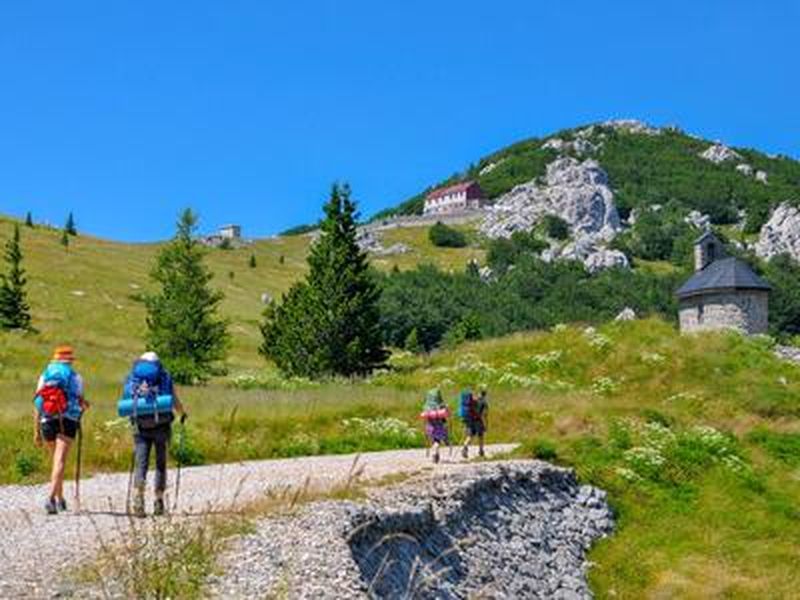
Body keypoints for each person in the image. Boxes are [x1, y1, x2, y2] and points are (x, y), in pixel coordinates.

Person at [122, 352, 187, 517]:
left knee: (141, 462)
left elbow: (126, 399)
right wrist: (182, 413)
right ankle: (159, 500)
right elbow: (173, 399)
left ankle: (138, 497)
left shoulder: (133, 377)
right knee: (160, 463)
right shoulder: (164, 376)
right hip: (162, 425)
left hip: (140, 425)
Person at [33, 346, 89, 515]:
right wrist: (83, 406)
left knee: (56, 461)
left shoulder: (45, 376)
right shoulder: (76, 377)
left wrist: (35, 430)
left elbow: (37, 403)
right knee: (60, 461)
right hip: (68, 420)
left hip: (47, 420)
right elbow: (80, 401)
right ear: (70, 361)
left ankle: (61, 498)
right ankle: (50, 499)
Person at [420, 388, 450, 464]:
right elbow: (446, 415)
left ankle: (436, 454)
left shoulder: (427, 406)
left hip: (430, 426)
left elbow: (425, 416)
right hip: (438, 426)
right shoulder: (441, 405)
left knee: (434, 441)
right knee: (437, 441)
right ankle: (435, 454)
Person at [460, 387, 489, 459]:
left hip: (470, 420)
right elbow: (485, 415)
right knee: (481, 436)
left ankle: (465, 447)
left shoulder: (473, 400)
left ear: (479, 393)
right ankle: (481, 451)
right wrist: (486, 424)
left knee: (470, 435)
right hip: (478, 420)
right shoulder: (484, 402)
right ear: (485, 395)